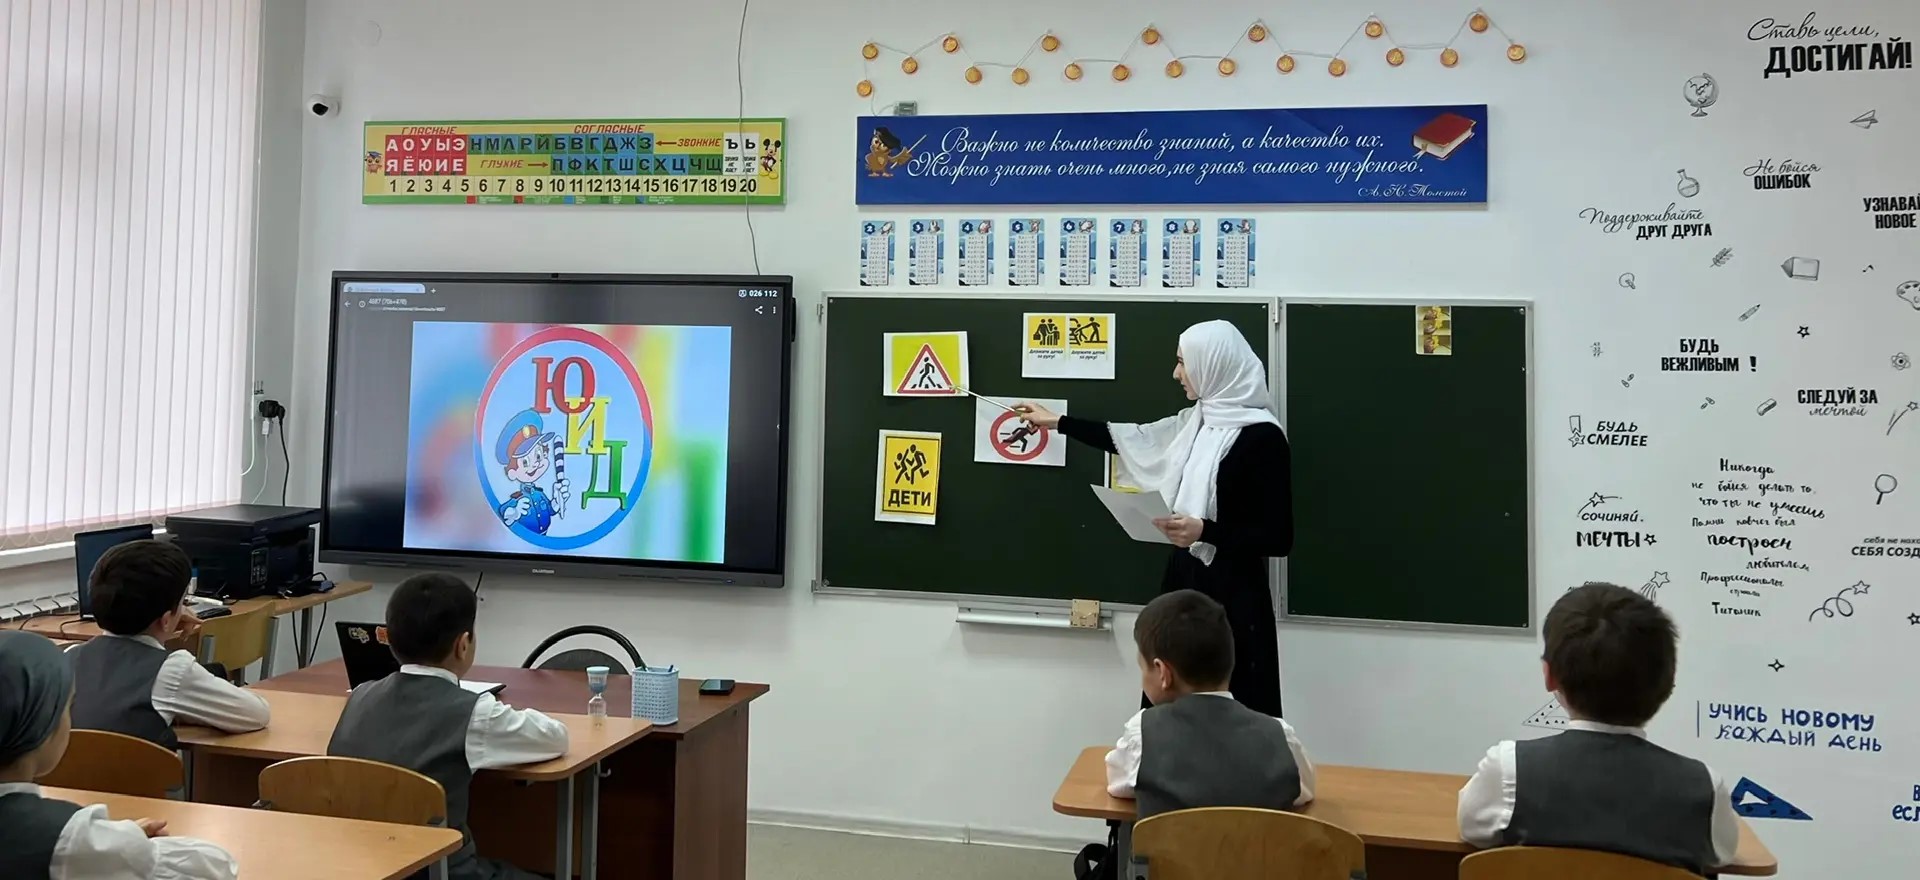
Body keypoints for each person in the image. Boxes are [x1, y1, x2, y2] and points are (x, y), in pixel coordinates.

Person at [1018, 319, 1292, 717]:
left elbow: (1279, 537)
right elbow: (1134, 439)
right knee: (1168, 703)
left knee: (1238, 714)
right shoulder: (1197, 422)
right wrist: (1058, 422)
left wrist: (1205, 530)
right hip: (1183, 585)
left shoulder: (1263, 437)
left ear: (1213, 364)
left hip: (1233, 598)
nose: (1177, 373)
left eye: (1184, 362)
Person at [1457, 583, 1740, 874]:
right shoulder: (1704, 790)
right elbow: (1720, 855)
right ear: (1668, 683)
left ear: (1549, 676)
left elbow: (1472, 830)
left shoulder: (1508, 770)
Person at [328, 573, 568, 880]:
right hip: (443, 873)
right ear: (462, 645)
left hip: (359, 868)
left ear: (388, 639)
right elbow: (555, 738)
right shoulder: (475, 713)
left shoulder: (359, 696)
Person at [0, 631, 237, 879]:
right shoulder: (67, 837)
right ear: (44, 726)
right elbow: (215, 867)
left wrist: (107, 841)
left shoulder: (71, 839)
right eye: (68, 708)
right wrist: (123, 842)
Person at [1105, 590, 1314, 819]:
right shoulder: (1281, 738)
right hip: (1254, 844)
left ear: (1163, 672)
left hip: (1174, 844)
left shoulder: (1141, 736)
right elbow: (1304, 791)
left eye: (1142, 668)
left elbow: (1118, 784)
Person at [69, 541, 271, 749]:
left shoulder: (69, 657)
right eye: (183, 602)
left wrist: (166, 625)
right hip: (139, 771)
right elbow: (257, 714)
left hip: (67, 771)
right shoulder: (171, 670)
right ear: (166, 619)